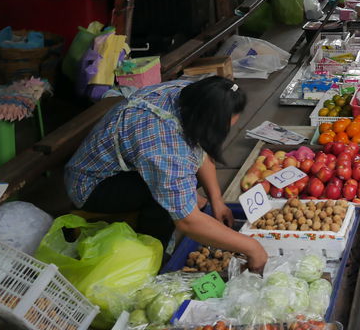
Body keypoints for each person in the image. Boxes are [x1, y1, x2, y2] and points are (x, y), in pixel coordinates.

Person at [65, 77, 268, 272]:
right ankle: (153, 256)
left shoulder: (190, 95)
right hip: (91, 185)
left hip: (127, 164)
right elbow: (187, 222)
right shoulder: (165, 148)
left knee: (181, 180)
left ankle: (185, 203)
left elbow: (200, 149)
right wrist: (252, 248)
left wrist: (217, 200)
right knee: (163, 200)